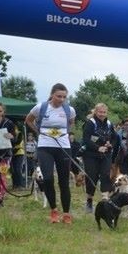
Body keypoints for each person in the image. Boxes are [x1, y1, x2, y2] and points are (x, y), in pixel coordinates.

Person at [25, 83, 77, 223]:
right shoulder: (41, 107)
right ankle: (53, 210)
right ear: (52, 94)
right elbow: (28, 120)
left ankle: (66, 213)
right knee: (47, 179)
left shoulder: (69, 109)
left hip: (63, 147)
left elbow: (71, 122)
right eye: (58, 96)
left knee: (64, 181)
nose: (61, 99)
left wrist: (62, 133)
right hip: (45, 146)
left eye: (64, 97)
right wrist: (38, 131)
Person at [81, 103, 118, 213]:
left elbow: (115, 138)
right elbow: (86, 140)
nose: (102, 114)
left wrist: (110, 144)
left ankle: (105, 201)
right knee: (92, 177)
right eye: (100, 112)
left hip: (106, 155)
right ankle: (89, 200)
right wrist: (98, 148)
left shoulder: (109, 123)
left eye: (104, 112)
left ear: (107, 113)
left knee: (106, 175)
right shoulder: (90, 123)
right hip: (91, 155)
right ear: (96, 112)